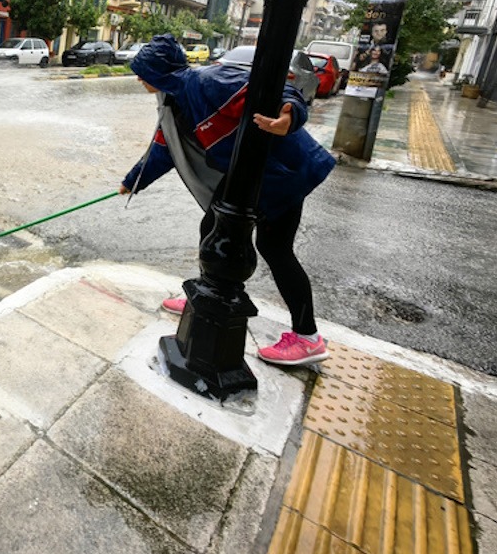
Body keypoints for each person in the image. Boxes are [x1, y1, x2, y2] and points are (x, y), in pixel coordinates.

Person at [119, 35, 336, 366]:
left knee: (275, 249)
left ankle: (308, 337)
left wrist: (288, 116)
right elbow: (163, 150)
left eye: (142, 71)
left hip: (284, 171)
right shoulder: (173, 100)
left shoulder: (211, 81)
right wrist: (132, 182)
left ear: (158, 71)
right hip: (249, 174)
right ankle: (208, 292)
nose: (138, 78)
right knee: (213, 223)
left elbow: (280, 92)